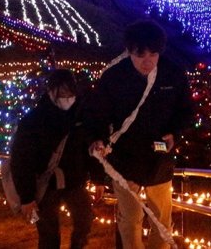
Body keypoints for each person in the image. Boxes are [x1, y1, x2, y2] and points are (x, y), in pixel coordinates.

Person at [87, 19, 194, 249]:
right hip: (124, 159)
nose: (147, 62)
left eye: (153, 55)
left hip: (159, 156)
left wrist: (175, 133)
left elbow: (186, 111)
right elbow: (98, 114)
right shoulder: (113, 77)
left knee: (161, 219)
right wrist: (98, 138)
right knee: (129, 219)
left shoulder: (173, 74)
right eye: (140, 55)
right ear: (129, 51)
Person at [10, 69, 93, 249]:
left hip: (74, 181)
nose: (67, 97)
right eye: (62, 92)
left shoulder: (80, 115)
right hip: (46, 184)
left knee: (85, 220)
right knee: (48, 234)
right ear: (51, 91)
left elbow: (88, 149)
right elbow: (21, 160)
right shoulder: (33, 121)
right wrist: (27, 197)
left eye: (70, 91)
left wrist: (98, 178)